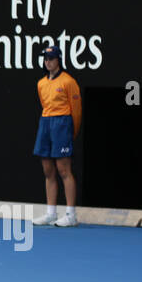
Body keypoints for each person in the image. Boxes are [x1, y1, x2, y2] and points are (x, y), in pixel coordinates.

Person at [32, 46, 82, 228]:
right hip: (46, 123)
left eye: (51, 58)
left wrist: (71, 132)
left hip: (62, 124)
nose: (48, 61)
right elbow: (45, 105)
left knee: (63, 169)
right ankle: (51, 213)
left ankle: (71, 214)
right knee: (48, 170)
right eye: (46, 58)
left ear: (58, 60)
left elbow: (76, 111)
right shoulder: (41, 83)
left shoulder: (68, 82)